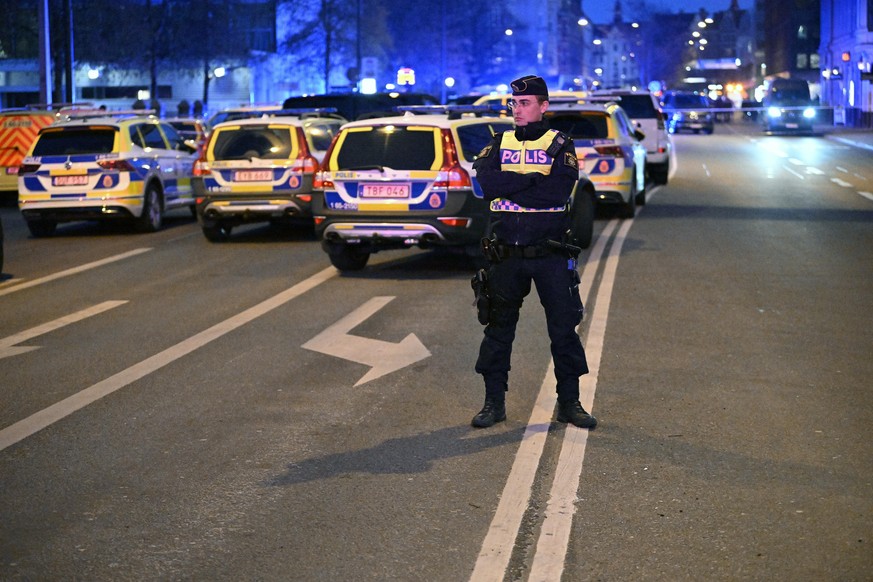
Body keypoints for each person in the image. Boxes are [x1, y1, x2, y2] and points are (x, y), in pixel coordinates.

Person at [470, 74, 596, 430]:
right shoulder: (498, 142)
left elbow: (556, 193)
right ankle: (494, 403)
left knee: (564, 331)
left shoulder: (561, 144)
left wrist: (512, 186)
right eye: (514, 102)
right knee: (497, 329)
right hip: (505, 254)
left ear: (543, 106)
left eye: (525, 103)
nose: (517, 108)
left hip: (550, 254)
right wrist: (531, 181)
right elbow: (488, 183)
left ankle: (569, 403)